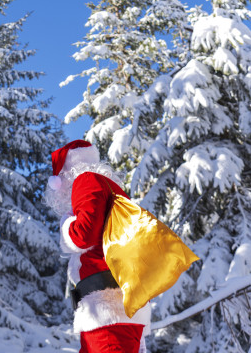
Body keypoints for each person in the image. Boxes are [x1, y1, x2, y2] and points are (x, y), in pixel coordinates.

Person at [43, 140, 151, 353]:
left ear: (65, 174)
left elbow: (84, 235)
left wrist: (66, 225)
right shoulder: (108, 188)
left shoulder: (86, 180)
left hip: (107, 310)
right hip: (111, 310)